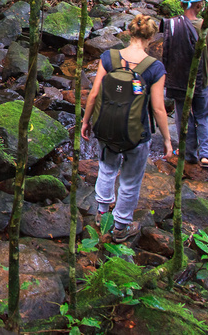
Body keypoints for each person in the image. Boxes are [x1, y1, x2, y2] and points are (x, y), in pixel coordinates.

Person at [81, 14, 172, 243]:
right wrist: (168, 140)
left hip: (107, 128)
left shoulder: (109, 57)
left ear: (129, 32)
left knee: (106, 168)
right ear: (151, 37)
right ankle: (121, 227)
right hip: (137, 134)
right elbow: (159, 109)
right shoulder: (155, 68)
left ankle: (101, 216)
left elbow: (94, 94)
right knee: (130, 180)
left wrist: (86, 121)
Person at [161, 0, 208, 170]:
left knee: (183, 117)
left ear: (181, 4)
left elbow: (168, 54)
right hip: (203, 81)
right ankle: (206, 156)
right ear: (200, 5)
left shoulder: (172, 25)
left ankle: (188, 152)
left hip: (180, 81)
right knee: (205, 116)